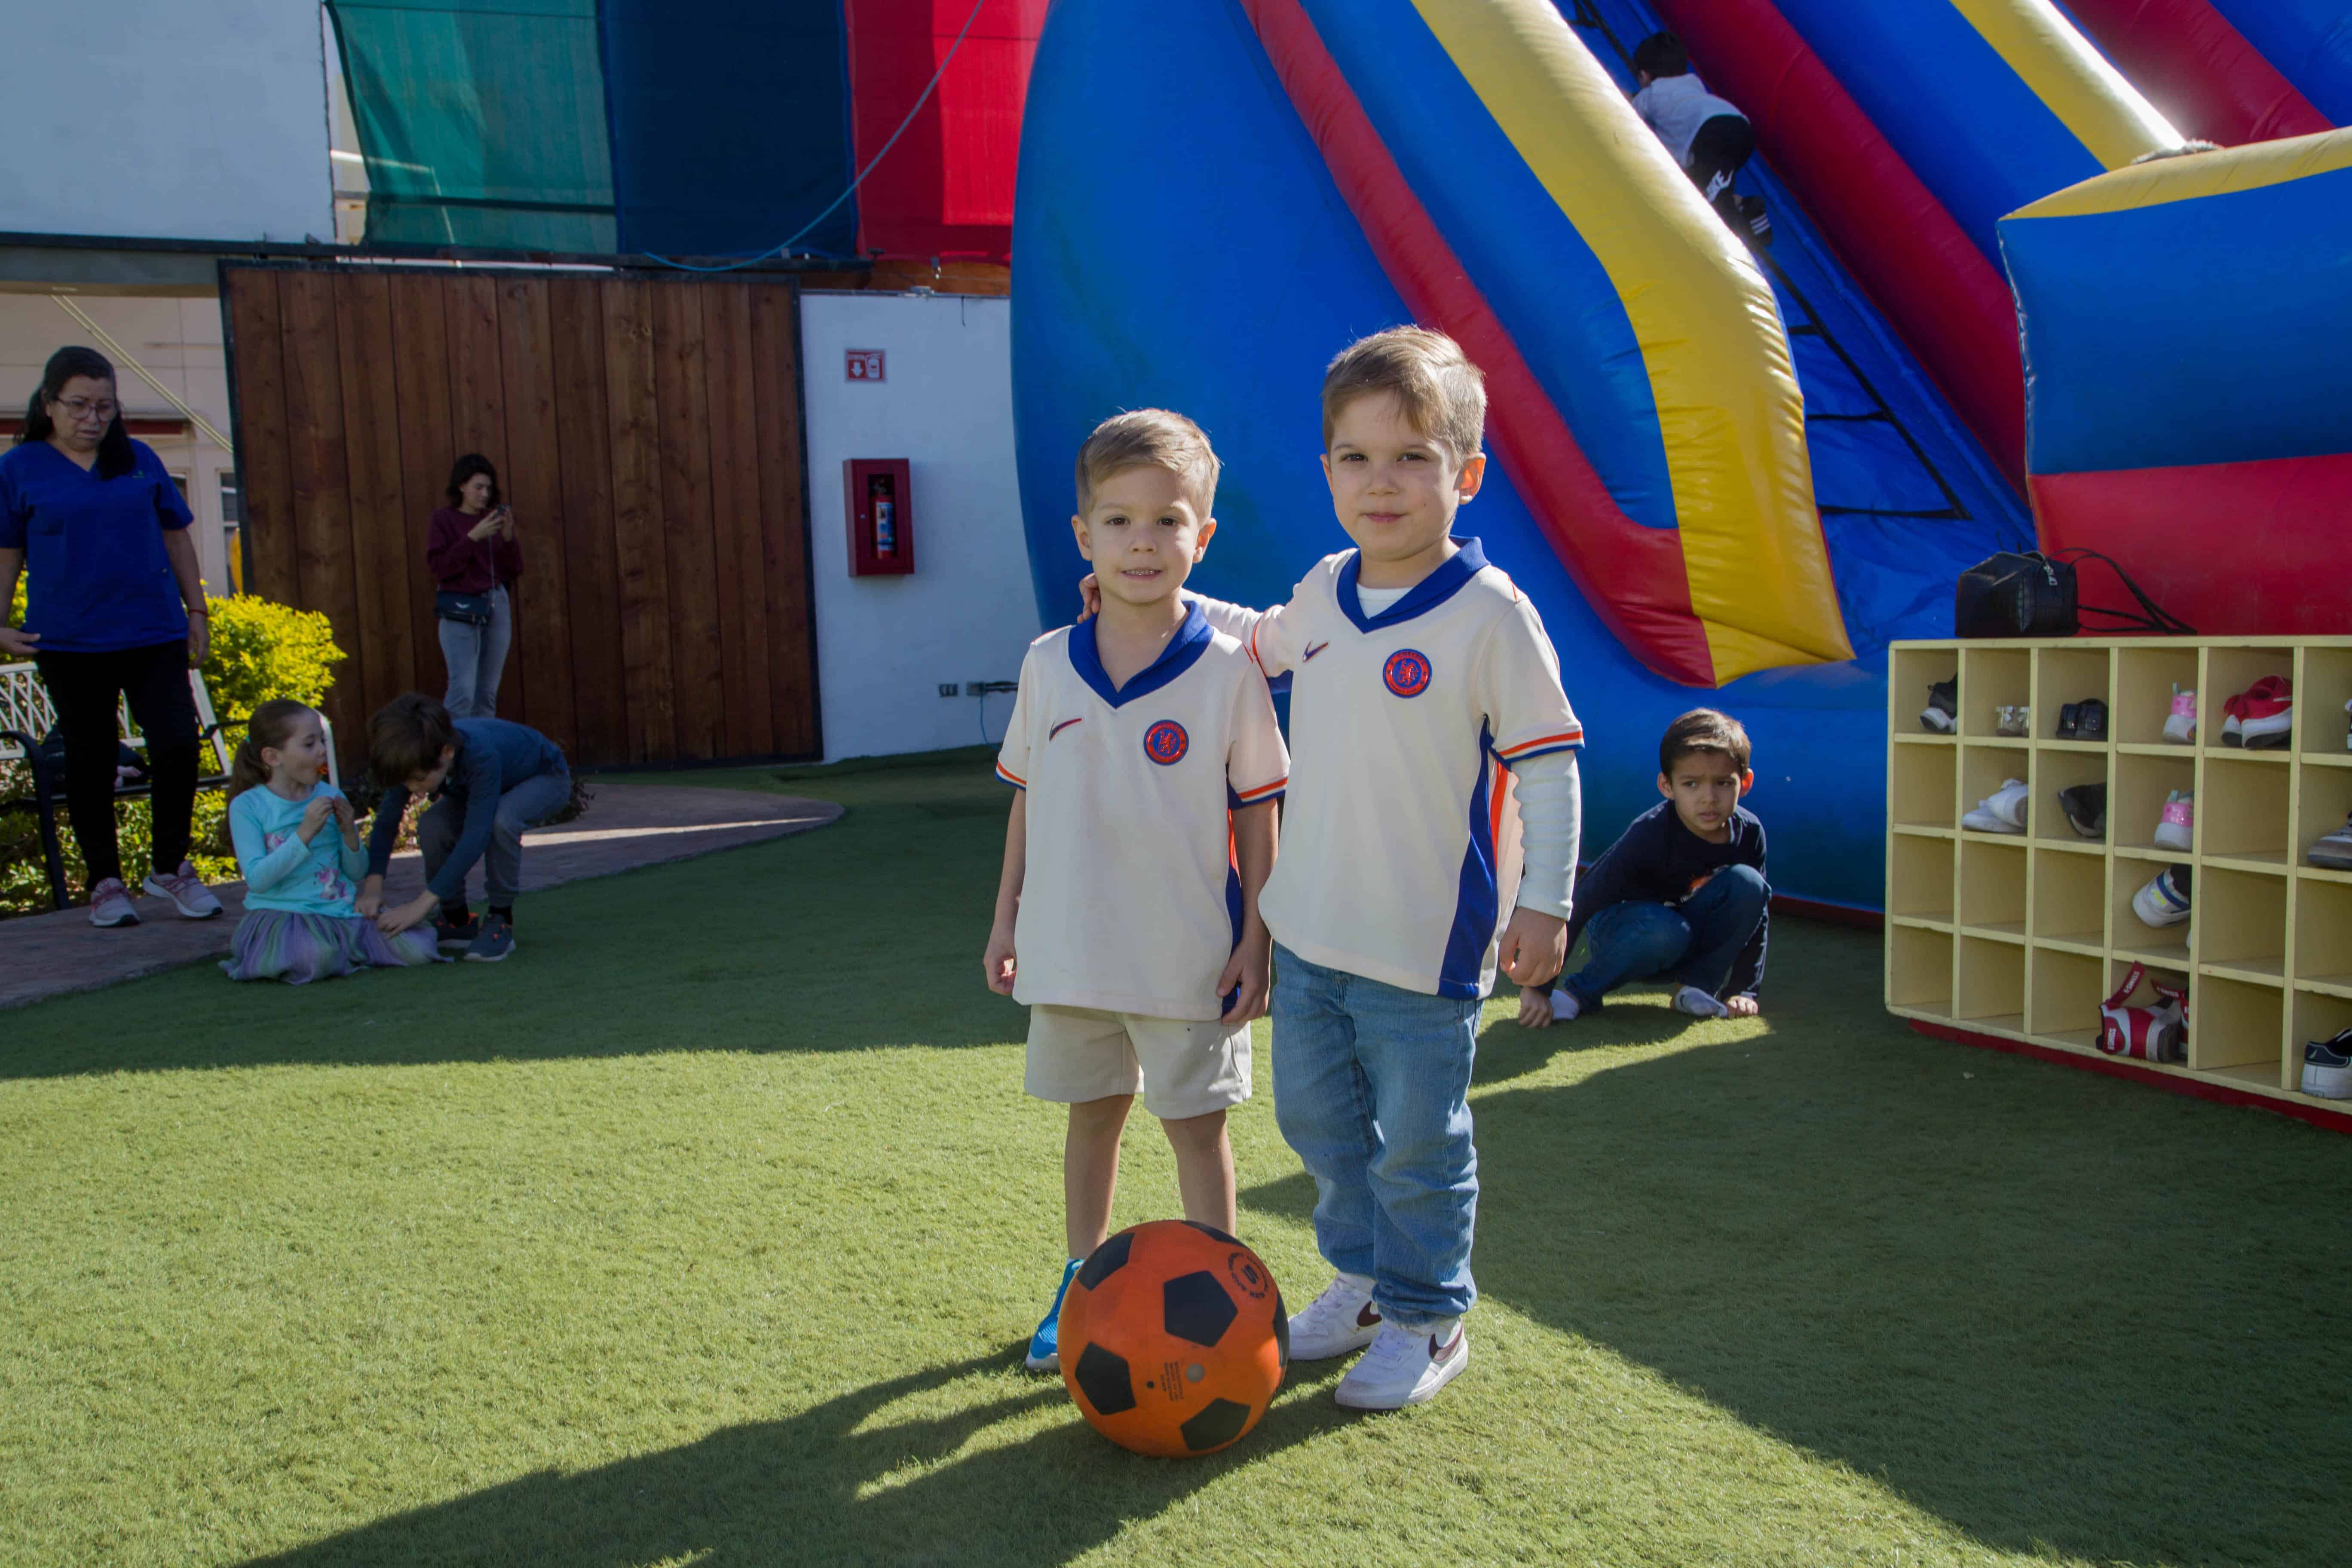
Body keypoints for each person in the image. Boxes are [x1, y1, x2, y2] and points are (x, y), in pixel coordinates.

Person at [1117, 328, 1585, 1410]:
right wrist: (1160, 602)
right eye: (1356, 458)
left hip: (1425, 950)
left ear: (1465, 475)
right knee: (1319, 1129)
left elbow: (1551, 771)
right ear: (1325, 470)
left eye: (1413, 457)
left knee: (1419, 1145)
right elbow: (1259, 643)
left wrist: (1545, 904)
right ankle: (1368, 1281)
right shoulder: (1326, 590)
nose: (1383, 484)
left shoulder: (1493, 618)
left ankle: (1429, 1319)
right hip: (1310, 931)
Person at [985, 410, 1288, 1376]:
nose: (1143, 543)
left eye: (1169, 521)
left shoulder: (1229, 669)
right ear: (1084, 537)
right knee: (1093, 1118)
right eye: (1118, 522)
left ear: (1203, 536)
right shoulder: (1044, 663)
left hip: (1188, 956)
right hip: (1071, 949)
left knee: (1198, 1132)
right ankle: (1080, 1284)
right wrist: (1007, 919)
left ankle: (1229, 1301)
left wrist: (1258, 937)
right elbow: (1027, 805)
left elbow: (1257, 813)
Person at [0, 345, 224, 928]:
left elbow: (177, 536)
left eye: (105, 407)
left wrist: (196, 610)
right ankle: (105, 881)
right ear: (49, 404)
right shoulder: (19, 467)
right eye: (79, 405)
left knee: (177, 743)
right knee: (90, 758)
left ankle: (170, 867)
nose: (93, 418)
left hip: (153, 631)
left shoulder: (140, 459)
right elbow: (7, 552)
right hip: (71, 641)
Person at [1520, 708, 1768, 1028]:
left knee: (1750, 885)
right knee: (1665, 930)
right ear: (1667, 786)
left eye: (1722, 783)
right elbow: (1585, 898)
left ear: (1745, 783)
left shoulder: (1749, 833)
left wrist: (1744, 988)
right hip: (1626, 930)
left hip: (1682, 932)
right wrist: (1540, 987)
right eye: (1691, 784)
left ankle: (1697, 987)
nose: (1709, 798)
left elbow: (1757, 913)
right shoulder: (1650, 834)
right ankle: (1581, 993)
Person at [219, 698, 443, 984]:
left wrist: (349, 832)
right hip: (287, 918)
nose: (323, 752)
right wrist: (305, 833)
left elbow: (355, 873)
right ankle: (345, 953)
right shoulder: (248, 806)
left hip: (342, 912)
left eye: (321, 742)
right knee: (315, 957)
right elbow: (258, 880)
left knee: (419, 949)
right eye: (309, 745)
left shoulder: (329, 794)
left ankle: (348, 950)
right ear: (273, 757)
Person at [356, 692, 571, 964]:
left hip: (545, 778)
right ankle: (457, 919)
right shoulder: (415, 753)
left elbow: (475, 836)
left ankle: (501, 918)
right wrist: (373, 890)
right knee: (432, 824)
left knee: (500, 822)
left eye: (419, 780)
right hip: (486, 787)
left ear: (447, 753)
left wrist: (420, 907)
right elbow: (388, 820)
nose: (413, 789)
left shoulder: (480, 755)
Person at [1631, 31, 1772, 248]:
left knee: (1713, 203)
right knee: (1700, 186)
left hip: (1711, 133)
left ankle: (1735, 249)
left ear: (1645, 76)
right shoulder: (1692, 85)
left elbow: (1625, 112)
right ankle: (1746, 206)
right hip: (1739, 129)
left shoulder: (1652, 94)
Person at [428, 454, 522, 719]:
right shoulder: (444, 519)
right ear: (461, 486)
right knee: (463, 690)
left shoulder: (491, 519)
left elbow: (512, 571)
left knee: (487, 693)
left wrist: (507, 538)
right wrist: (472, 538)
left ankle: (482, 753)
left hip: (495, 604)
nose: (484, 494)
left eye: (488, 489)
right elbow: (440, 568)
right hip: (460, 606)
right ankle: (453, 755)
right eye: (478, 487)